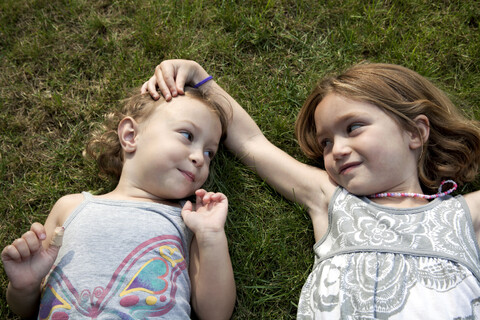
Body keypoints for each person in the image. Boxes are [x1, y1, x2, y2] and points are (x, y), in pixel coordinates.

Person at [142, 60, 480, 318]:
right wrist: (201, 79)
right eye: (327, 142)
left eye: (354, 127)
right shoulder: (333, 199)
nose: (338, 150)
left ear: (415, 133)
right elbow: (252, 144)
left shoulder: (464, 216)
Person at [1, 86, 236, 319]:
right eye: (188, 136)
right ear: (130, 136)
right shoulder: (70, 207)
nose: (199, 159)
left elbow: (215, 314)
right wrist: (24, 287)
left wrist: (211, 234)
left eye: (209, 153)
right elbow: (28, 310)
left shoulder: (191, 221)